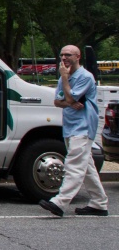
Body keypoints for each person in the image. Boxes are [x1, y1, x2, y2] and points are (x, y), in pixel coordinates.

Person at [38, 45, 109, 217]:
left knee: (74, 165)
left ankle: (60, 202)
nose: (64, 58)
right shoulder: (65, 76)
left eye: (68, 55)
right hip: (70, 126)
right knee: (87, 167)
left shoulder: (85, 76)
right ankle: (99, 203)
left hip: (84, 127)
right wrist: (69, 99)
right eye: (62, 55)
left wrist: (67, 92)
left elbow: (68, 98)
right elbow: (58, 101)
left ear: (78, 57)